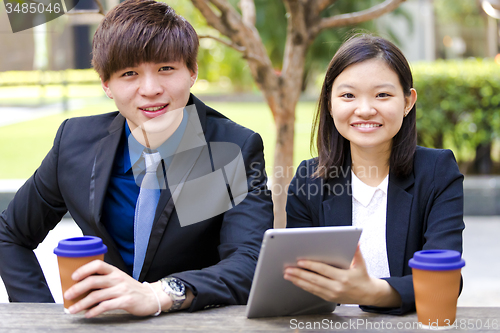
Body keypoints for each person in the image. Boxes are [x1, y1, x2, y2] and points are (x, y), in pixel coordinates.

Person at [0, 0, 273, 318]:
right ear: (106, 84)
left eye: (166, 69)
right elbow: (10, 233)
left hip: (192, 322)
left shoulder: (232, 148)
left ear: (192, 72)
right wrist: (40, 316)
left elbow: (249, 263)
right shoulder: (74, 143)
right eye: (129, 73)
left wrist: (157, 294)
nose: (150, 89)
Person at [284, 34, 464, 315]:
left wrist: (371, 292)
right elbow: (300, 284)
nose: (365, 110)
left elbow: (446, 280)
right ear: (330, 104)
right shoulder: (309, 180)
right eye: (348, 95)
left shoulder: (437, 172)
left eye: (382, 95)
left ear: (408, 102)